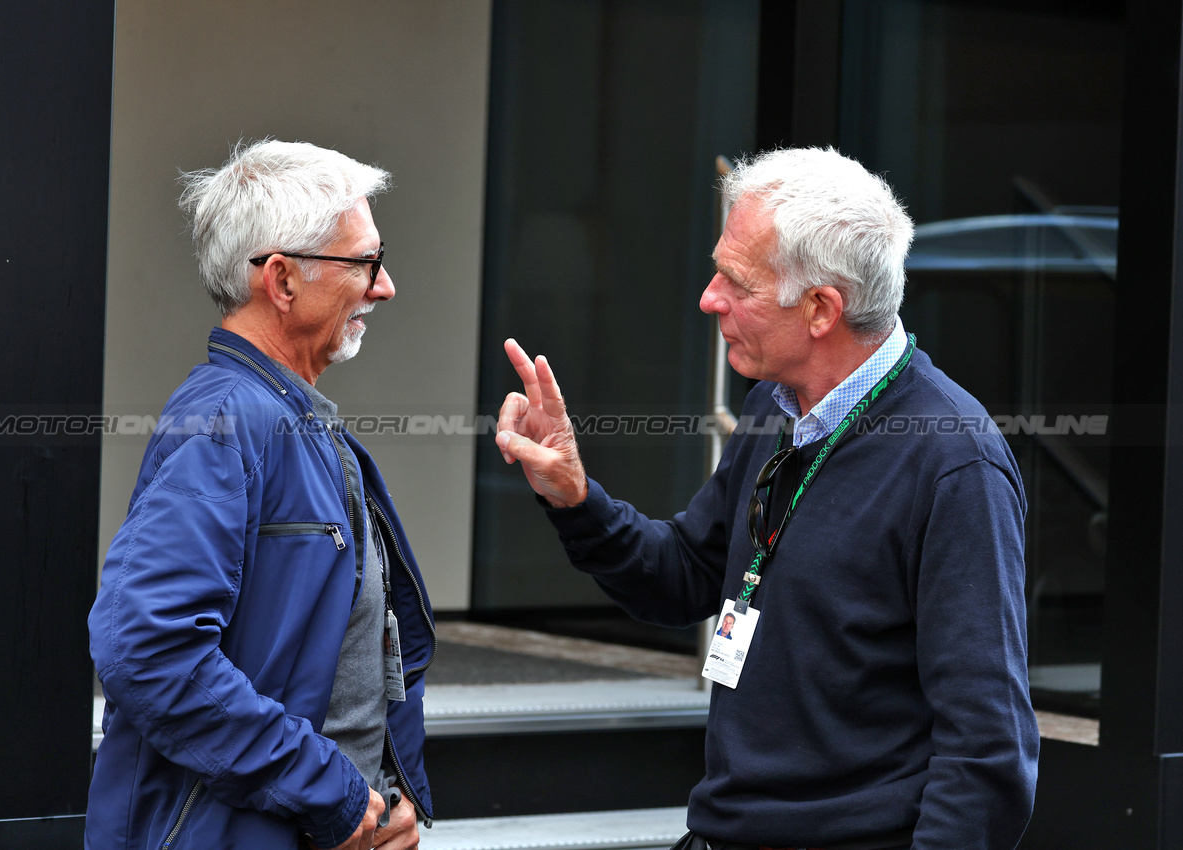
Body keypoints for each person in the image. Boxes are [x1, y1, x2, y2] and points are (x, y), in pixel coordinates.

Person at [495, 147, 1038, 849]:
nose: (708, 298)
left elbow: (986, 747)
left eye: (735, 281)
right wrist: (573, 497)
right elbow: (683, 579)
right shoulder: (772, 409)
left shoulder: (952, 463)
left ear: (819, 308)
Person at [87, 140, 435, 850]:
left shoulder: (283, 417)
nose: (384, 285)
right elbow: (147, 649)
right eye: (365, 261)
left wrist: (386, 799)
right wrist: (334, 797)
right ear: (280, 281)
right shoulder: (226, 424)